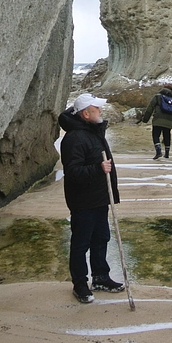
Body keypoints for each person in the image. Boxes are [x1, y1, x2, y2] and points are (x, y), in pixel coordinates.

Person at [58, 93, 125, 304]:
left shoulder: (93, 132)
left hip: (98, 199)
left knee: (101, 238)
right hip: (83, 202)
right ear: (86, 113)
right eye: (97, 108)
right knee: (81, 243)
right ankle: (80, 284)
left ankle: (100, 277)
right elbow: (73, 171)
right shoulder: (74, 138)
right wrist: (98, 169)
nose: (101, 111)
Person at [139, 84, 172, 159]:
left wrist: (145, 119)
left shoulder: (157, 97)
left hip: (157, 120)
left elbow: (150, 108)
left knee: (156, 135)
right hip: (168, 122)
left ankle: (158, 151)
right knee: (167, 136)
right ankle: (167, 153)